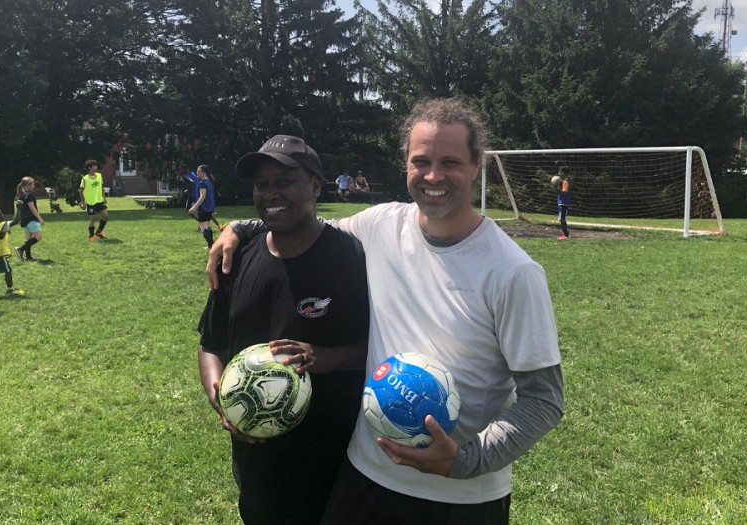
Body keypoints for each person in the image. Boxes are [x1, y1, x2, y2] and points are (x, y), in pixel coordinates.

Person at [210, 99, 564, 524]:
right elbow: (304, 224)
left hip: (459, 499)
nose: (433, 176)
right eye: (421, 161)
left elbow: (544, 400)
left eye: (449, 161)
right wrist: (240, 228)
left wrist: (464, 460)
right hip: (365, 477)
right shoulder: (381, 226)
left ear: (476, 165)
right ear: (406, 166)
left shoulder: (513, 272)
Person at [197, 134, 370, 524]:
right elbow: (212, 343)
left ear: (314, 185)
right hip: (259, 466)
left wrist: (327, 358)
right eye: (262, 184)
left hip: (336, 466)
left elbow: (380, 346)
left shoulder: (352, 258)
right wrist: (224, 400)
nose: (271, 193)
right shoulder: (234, 258)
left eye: (284, 180)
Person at [15, 176, 45, 261]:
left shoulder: (21, 195)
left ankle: (28, 257)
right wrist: (39, 218)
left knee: (28, 239)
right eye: (32, 184)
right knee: (38, 237)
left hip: (24, 219)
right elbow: (32, 208)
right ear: (28, 185)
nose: (34, 186)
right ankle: (20, 249)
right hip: (31, 219)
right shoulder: (29, 195)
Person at [188, 164, 218, 248]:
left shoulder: (202, 183)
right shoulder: (209, 182)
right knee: (208, 227)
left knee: (203, 228)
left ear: (204, 173)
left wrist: (194, 207)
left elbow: (202, 196)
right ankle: (210, 245)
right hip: (210, 207)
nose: (197, 173)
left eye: (199, 171)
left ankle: (212, 245)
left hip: (204, 208)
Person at [79, 160, 109, 240]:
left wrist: (104, 197)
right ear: (89, 168)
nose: (96, 167)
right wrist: (83, 203)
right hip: (91, 202)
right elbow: (81, 191)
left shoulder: (99, 176)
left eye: (96, 165)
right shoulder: (85, 179)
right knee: (93, 219)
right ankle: (91, 235)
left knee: (105, 216)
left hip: (99, 201)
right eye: (94, 166)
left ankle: (99, 231)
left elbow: (101, 187)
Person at [557, 166, 571, 240]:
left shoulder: (565, 182)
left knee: (562, 219)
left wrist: (559, 185)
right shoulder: (562, 181)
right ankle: (565, 234)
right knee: (561, 219)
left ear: (564, 173)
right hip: (561, 202)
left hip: (564, 203)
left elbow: (564, 191)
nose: (558, 173)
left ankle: (566, 235)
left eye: (560, 172)